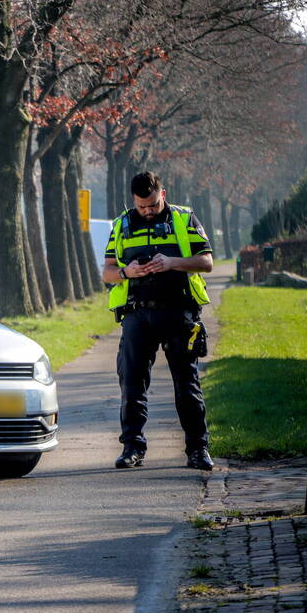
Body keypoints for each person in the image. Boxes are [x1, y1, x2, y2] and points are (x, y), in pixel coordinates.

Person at [104, 171, 214, 471]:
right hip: (138, 313)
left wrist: (172, 263)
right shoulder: (122, 225)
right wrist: (128, 272)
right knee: (131, 382)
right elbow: (108, 272)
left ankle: (198, 449)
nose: (148, 211)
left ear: (162, 194)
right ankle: (132, 448)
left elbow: (206, 261)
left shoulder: (184, 218)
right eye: (142, 206)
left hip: (177, 311)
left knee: (186, 382)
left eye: (152, 204)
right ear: (133, 201)